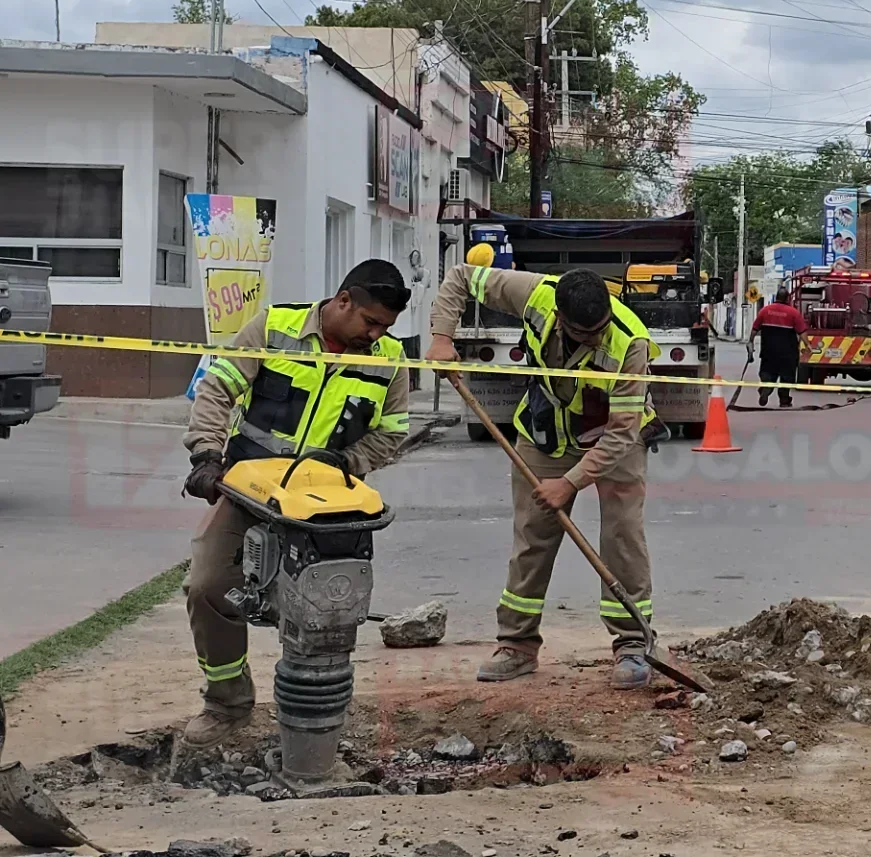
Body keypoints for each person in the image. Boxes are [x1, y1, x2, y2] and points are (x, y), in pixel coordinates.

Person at [178, 260, 413, 748]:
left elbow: (392, 431)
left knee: (326, 606)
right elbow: (217, 389)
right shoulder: (273, 327)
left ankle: (319, 710)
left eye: (385, 327)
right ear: (343, 301)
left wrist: (347, 463)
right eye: (371, 322)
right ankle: (226, 702)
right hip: (251, 491)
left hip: (327, 509)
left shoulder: (389, 359)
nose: (376, 335)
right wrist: (206, 455)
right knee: (207, 586)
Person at [423, 265, 662, 689]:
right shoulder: (535, 295)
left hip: (614, 439)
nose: (596, 339)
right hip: (546, 432)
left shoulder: (630, 343)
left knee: (623, 536)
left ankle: (632, 643)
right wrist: (442, 338)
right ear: (560, 317)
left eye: (600, 329)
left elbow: (622, 433)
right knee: (533, 535)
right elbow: (460, 277)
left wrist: (569, 482)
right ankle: (517, 644)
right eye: (585, 333)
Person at [750, 288, 806, 407]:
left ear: (776, 297)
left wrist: (750, 341)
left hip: (768, 351)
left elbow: (755, 328)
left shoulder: (765, 311)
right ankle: (784, 400)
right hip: (788, 353)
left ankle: (766, 387)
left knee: (767, 372)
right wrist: (808, 345)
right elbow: (802, 332)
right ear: (787, 299)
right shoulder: (793, 313)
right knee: (787, 376)